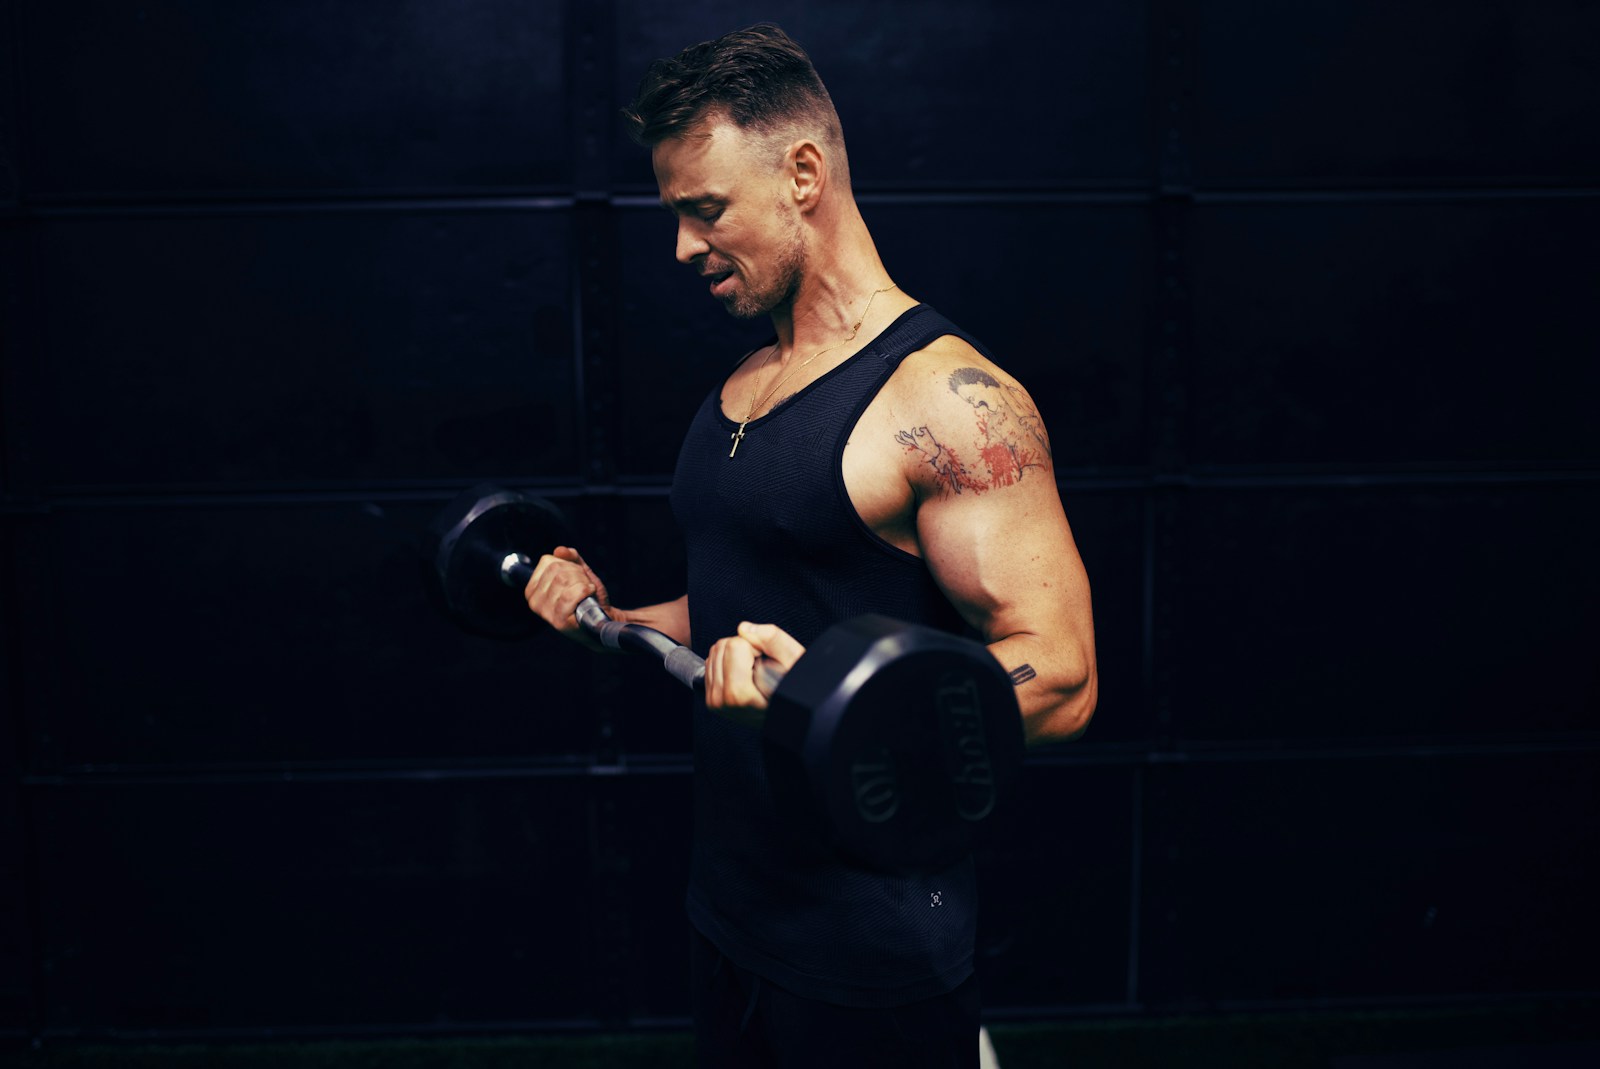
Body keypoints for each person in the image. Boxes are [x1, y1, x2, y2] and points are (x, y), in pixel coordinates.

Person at [524, 23, 1097, 1068]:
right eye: (676, 216)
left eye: (705, 211)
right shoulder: (742, 384)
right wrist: (603, 617)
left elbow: (1060, 676)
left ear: (802, 173)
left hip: (876, 948)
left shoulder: (948, 402)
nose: (684, 248)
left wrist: (836, 705)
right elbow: (743, 611)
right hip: (732, 915)